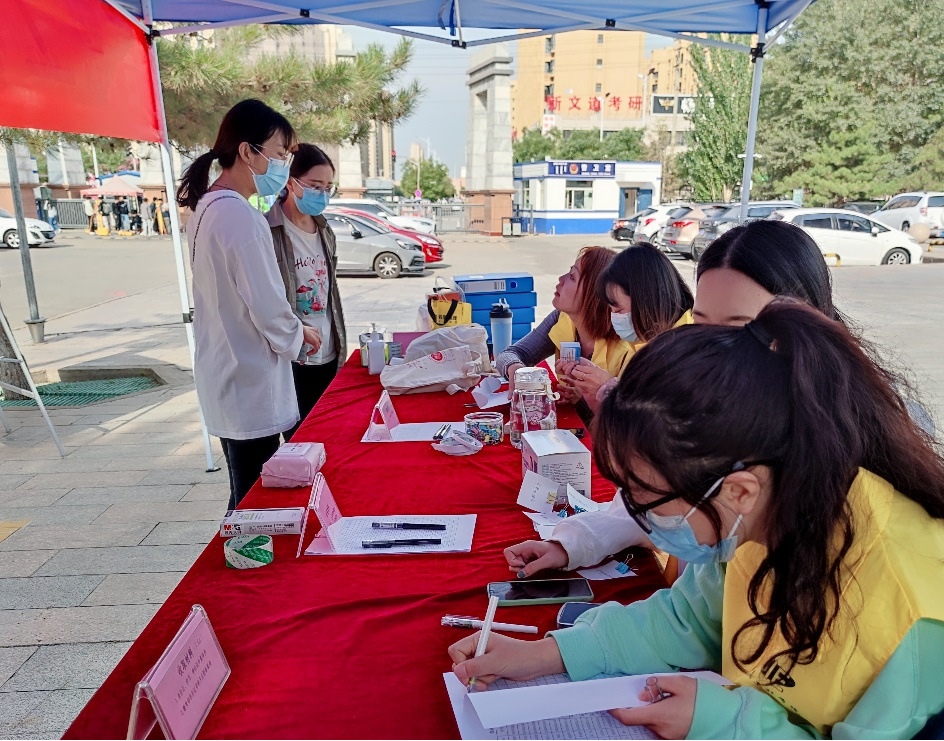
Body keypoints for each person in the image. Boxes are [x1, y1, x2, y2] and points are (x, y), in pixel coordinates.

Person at [453, 300, 944, 739]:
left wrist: (727, 723)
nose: (637, 514)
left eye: (645, 496)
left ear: (739, 491)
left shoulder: (912, 608)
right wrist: (545, 654)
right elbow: (684, 620)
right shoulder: (758, 513)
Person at [504, 221, 846, 581]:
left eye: (740, 330)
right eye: (702, 325)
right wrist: (571, 543)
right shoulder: (719, 402)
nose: (711, 349)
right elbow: (654, 505)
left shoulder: (828, 490)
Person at [177, 98, 321, 511]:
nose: (282, 166)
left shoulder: (208, 207)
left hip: (228, 372)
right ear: (247, 151)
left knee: (242, 493)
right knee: (253, 504)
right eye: (278, 154)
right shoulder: (239, 216)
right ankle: (243, 552)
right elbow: (268, 305)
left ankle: (239, 544)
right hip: (248, 379)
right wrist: (299, 336)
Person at [495, 246, 633, 421]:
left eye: (572, 277)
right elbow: (511, 354)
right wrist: (516, 370)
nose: (561, 280)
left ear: (593, 294)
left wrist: (586, 400)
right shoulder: (561, 318)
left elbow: (626, 424)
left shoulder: (628, 349)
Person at [266, 143, 347, 440]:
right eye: (314, 186)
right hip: (293, 356)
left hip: (329, 351)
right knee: (299, 442)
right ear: (291, 182)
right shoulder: (269, 230)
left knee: (330, 437)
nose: (321, 194)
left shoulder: (324, 229)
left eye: (327, 187)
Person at [563, 243, 694, 414]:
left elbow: (655, 420)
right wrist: (588, 395)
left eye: (618, 310)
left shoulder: (684, 353)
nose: (614, 317)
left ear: (646, 301)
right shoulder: (646, 342)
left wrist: (608, 389)